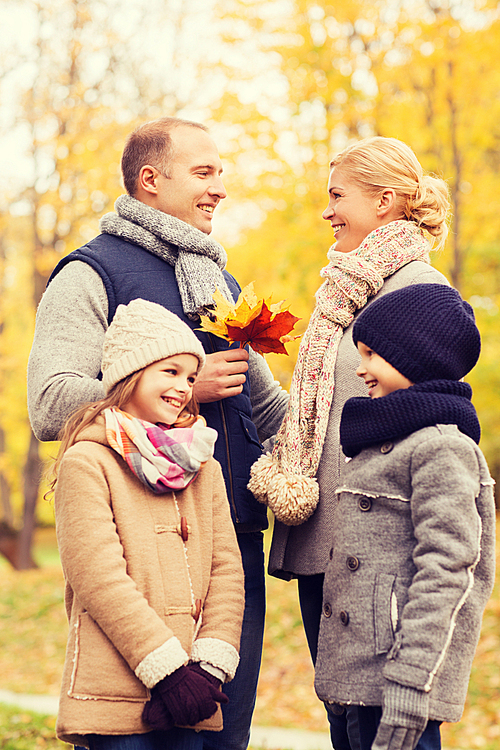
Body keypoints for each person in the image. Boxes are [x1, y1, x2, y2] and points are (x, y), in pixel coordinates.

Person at [27, 117, 288, 750]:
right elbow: (49, 402)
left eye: (221, 173)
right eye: (203, 173)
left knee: (226, 734)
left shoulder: (220, 282)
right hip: (134, 545)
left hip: (230, 540)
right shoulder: (91, 274)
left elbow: (271, 412)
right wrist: (180, 392)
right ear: (150, 180)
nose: (219, 188)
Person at [248, 136, 451, 749]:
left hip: (379, 557)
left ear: (385, 200)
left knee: (388, 728)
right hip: (326, 537)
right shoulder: (346, 291)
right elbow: (328, 414)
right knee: (346, 725)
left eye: (338, 196)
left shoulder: (417, 290)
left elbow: (430, 426)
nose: (327, 210)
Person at [53, 299, 245, 750]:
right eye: (170, 372)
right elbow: (98, 578)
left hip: (194, 692)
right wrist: (167, 670)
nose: (185, 387)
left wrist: (206, 667)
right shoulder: (89, 460)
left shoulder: (202, 464)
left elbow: (226, 571)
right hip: (118, 690)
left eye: (192, 377)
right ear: (130, 374)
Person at [313, 283, 496, 750]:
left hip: (398, 687)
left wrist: (412, 685)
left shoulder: (442, 447)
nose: (360, 368)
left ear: (416, 356)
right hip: (356, 684)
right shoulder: (380, 440)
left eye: (372, 353)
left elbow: (449, 572)